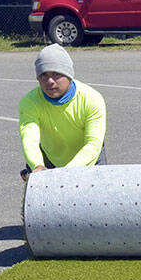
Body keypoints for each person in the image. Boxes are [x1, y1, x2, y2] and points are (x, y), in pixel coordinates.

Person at [19, 44, 107, 180]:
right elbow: (29, 139)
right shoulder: (30, 101)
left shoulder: (92, 98)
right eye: (43, 75)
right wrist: (37, 165)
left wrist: (66, 173)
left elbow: (93, 144)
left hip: (89, 158)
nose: (49, 81)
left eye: (56, 74)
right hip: (49, 159)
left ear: (69, 75)